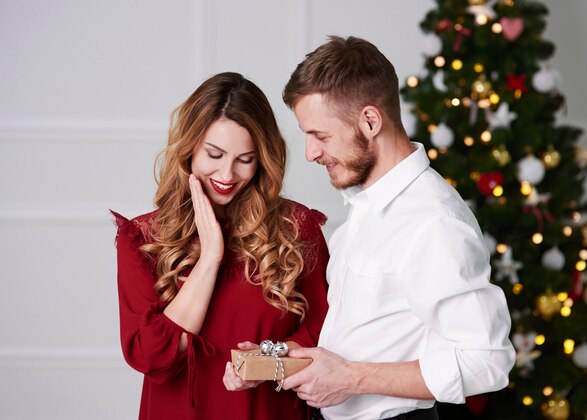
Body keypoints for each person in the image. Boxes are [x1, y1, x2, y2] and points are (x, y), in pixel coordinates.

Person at [281, 36, 516, 420]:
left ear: (370, 121)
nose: (310, 153)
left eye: (320, 136)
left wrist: (352, 378)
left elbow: (487, 361)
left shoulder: (434, 222)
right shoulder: (366, 202)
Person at [112, 72, 329, 420]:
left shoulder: (296, 228)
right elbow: (150, 357)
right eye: (214, 154)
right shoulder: (143, 239)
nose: (227, 175)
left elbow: (322, 332)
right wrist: (210, 256)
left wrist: (263, 365)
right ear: (189, 147)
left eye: (245, 159)